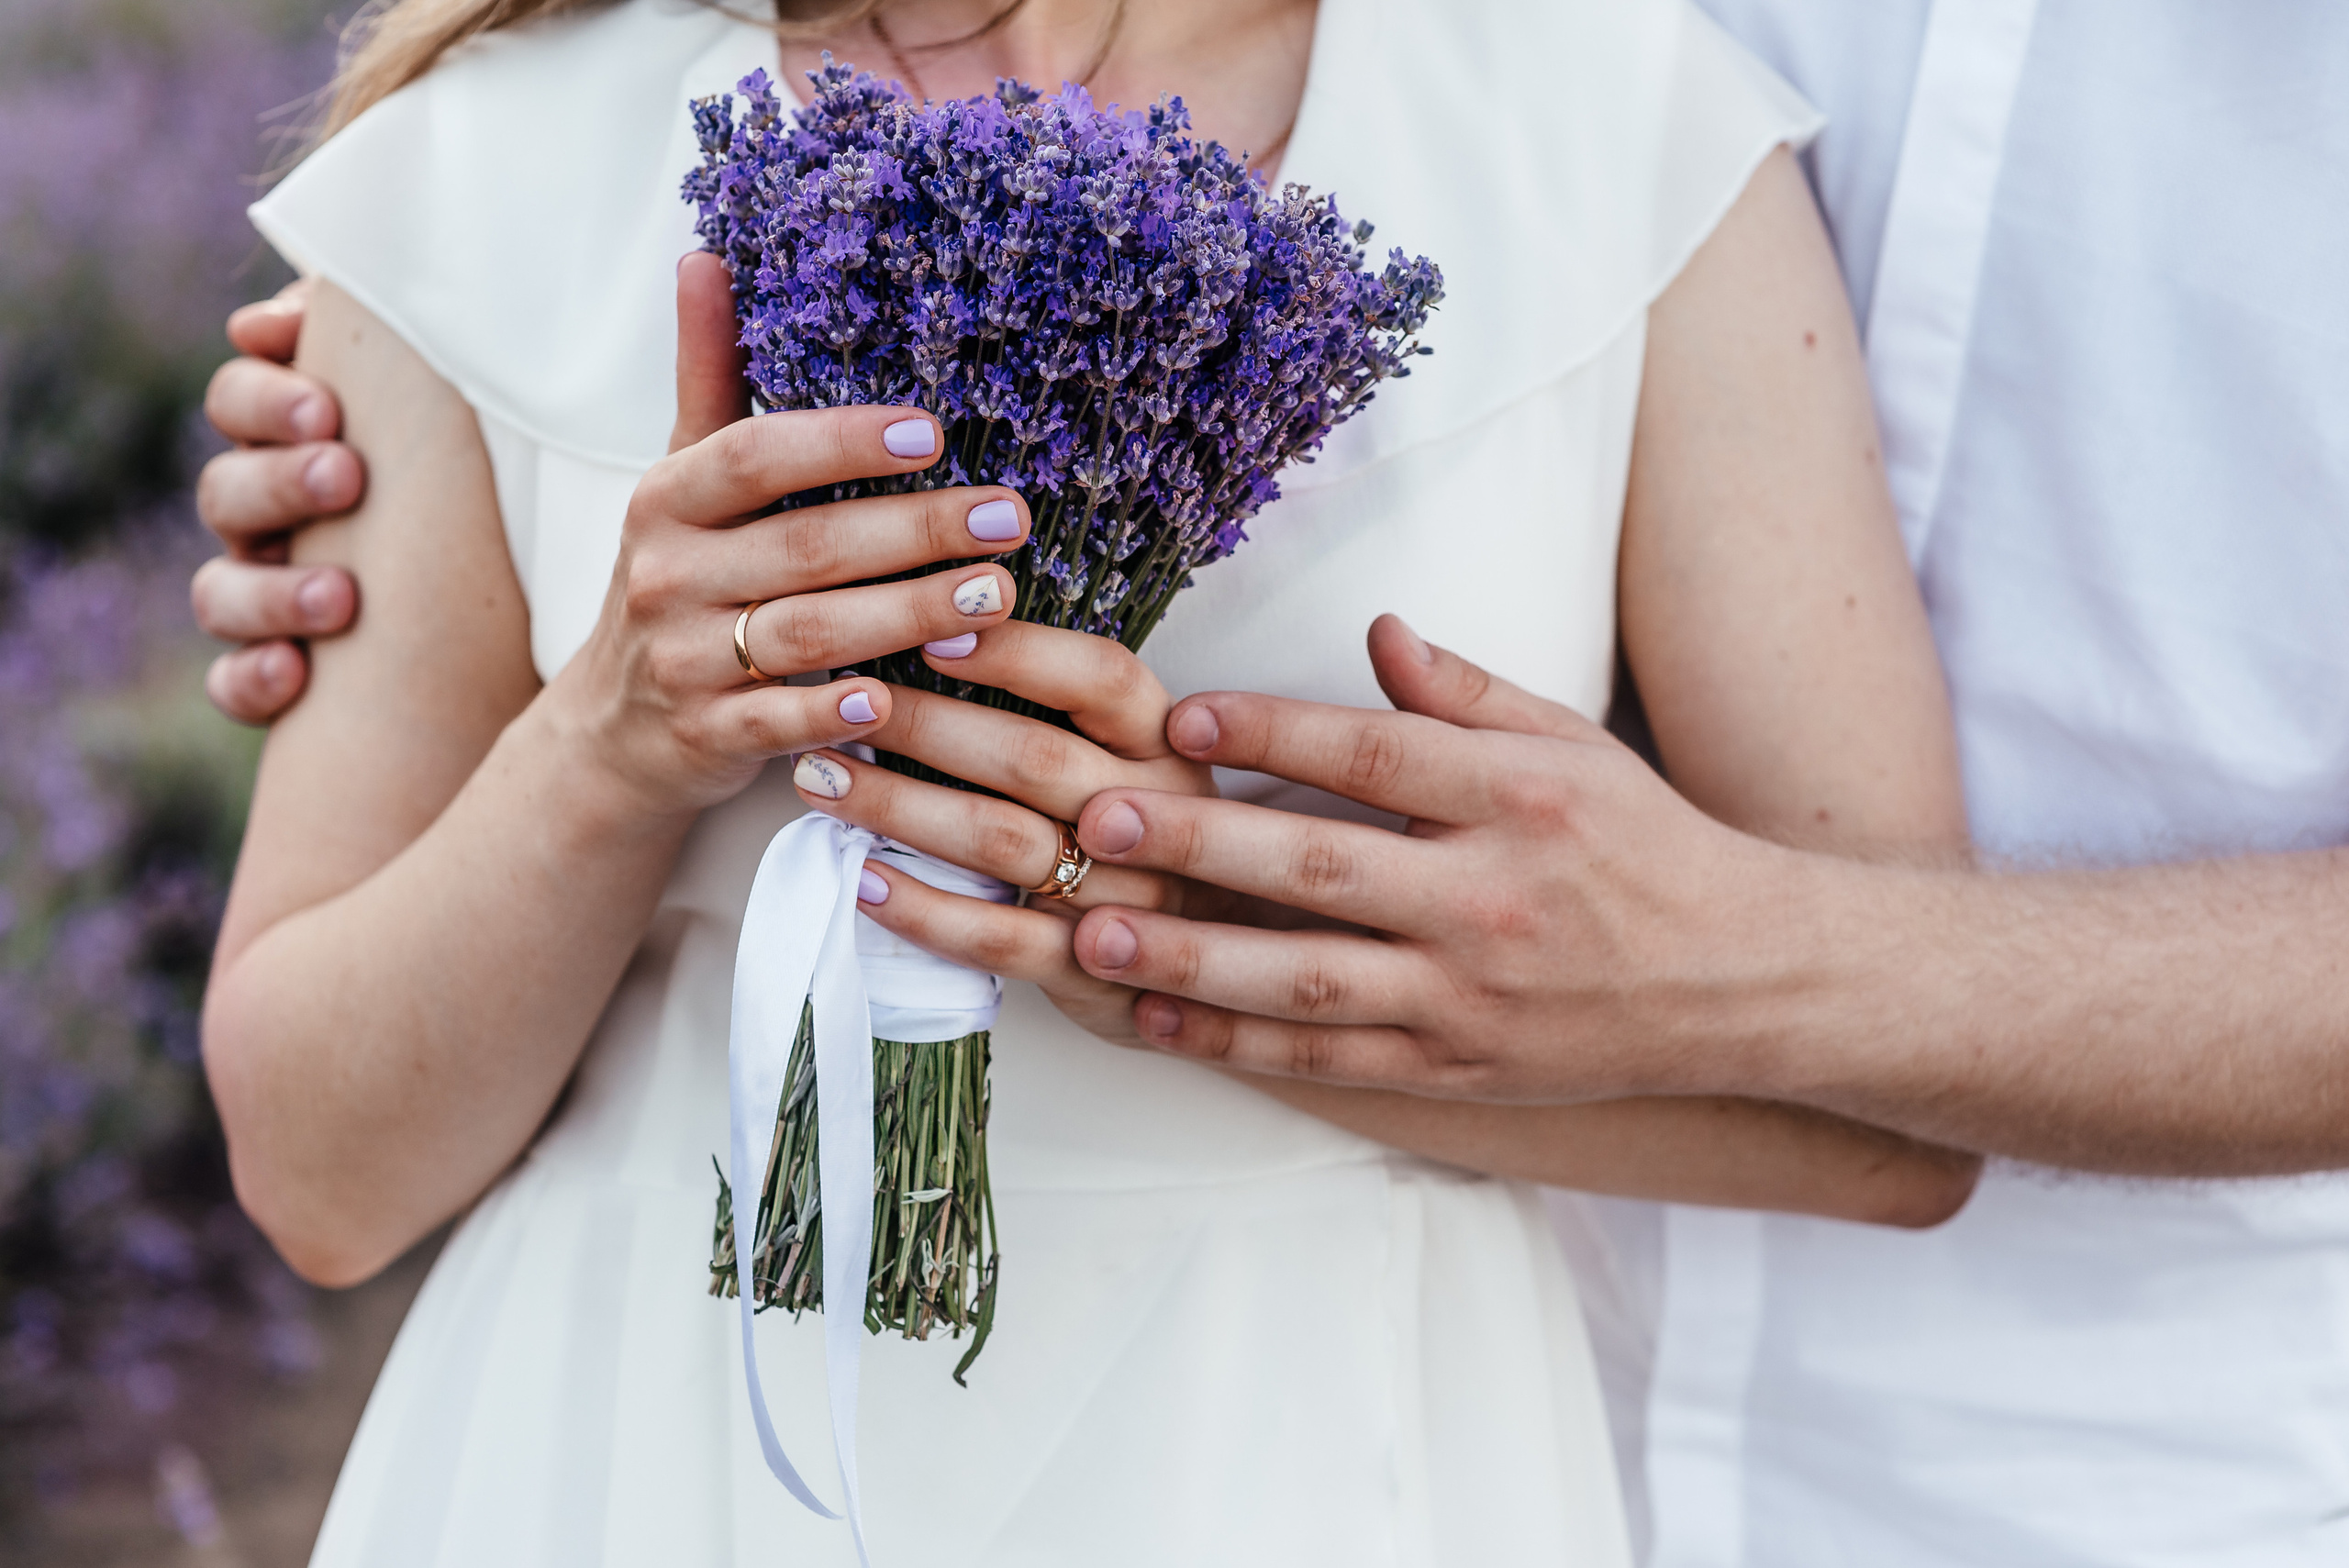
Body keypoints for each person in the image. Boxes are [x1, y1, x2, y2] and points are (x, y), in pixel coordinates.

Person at [196, 0, 1983, 1561]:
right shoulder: (494, 154)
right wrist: (613, 736)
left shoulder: (1614, 124)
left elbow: (1882, 1117)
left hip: (1329, 1453)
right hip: (645, 1450)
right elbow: (322, 1175)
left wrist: (1184, 957)